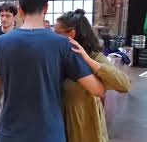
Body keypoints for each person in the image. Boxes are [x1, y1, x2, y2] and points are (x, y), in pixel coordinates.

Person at [0, 0, 105, 142]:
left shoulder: (1, 43)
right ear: (46, 9)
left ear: (20, 10)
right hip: (49, 133)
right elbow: (97, 90)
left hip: (11, 132)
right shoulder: (63, 44)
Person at [54, 9, 131, 142]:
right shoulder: (59, 56)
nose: (53, 36)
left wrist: (89, 61)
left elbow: (124, 85)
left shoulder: (94, 56)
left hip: (84, 127)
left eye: (57, 33)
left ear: (71, 34)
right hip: (60, 125)